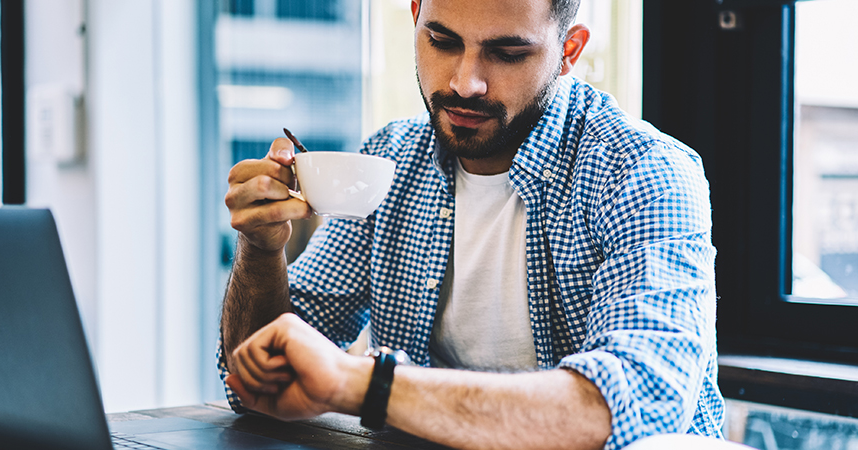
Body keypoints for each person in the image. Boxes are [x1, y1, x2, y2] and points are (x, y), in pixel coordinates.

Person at [218, 0, 723, 449]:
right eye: (442, 41)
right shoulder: (391, 159)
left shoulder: (643, 171)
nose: (465, 82)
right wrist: (261, 252)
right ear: (415, 17)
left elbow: (638, 402)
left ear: (569, 50)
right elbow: (259, 381)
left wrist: (364, 385)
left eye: (508, 53)